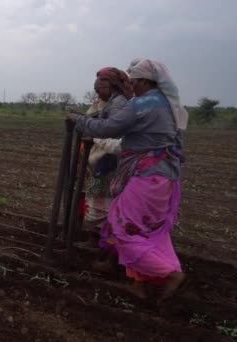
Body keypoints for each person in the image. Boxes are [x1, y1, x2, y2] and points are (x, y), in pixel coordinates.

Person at [67, 59, 188, 302]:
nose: (131, 86)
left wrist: (77, 120)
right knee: (150, 229)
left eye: (134, 81)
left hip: (147, 177)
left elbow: (109, 128)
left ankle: (168, 273)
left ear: (145, 81)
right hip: (163, 177)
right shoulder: (167, 104)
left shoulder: (143, 104)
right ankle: (138, 283)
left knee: (124, 226)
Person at [76, 68, 133, 266]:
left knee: (105, 205)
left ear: (115, 84)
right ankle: (97, 242)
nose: (99, 87)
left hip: (110, 162)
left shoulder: (119, 104)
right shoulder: (108, 102)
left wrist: (91, 130)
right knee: (97, 201)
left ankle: (106, 250)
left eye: (103, 83)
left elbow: (113, 133)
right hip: (103, 160)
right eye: (97, 84)